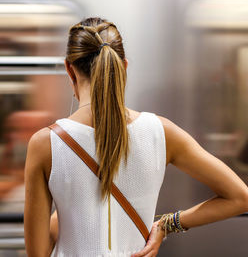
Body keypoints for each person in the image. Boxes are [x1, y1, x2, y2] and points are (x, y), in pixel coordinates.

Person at [24, 17, 248, 257]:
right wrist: (166, 225)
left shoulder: (45, 144)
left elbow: (38, 252)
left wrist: (70, 210)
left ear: (70, 69)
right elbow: (240, 198)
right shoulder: (161, 132)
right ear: (124, 67)